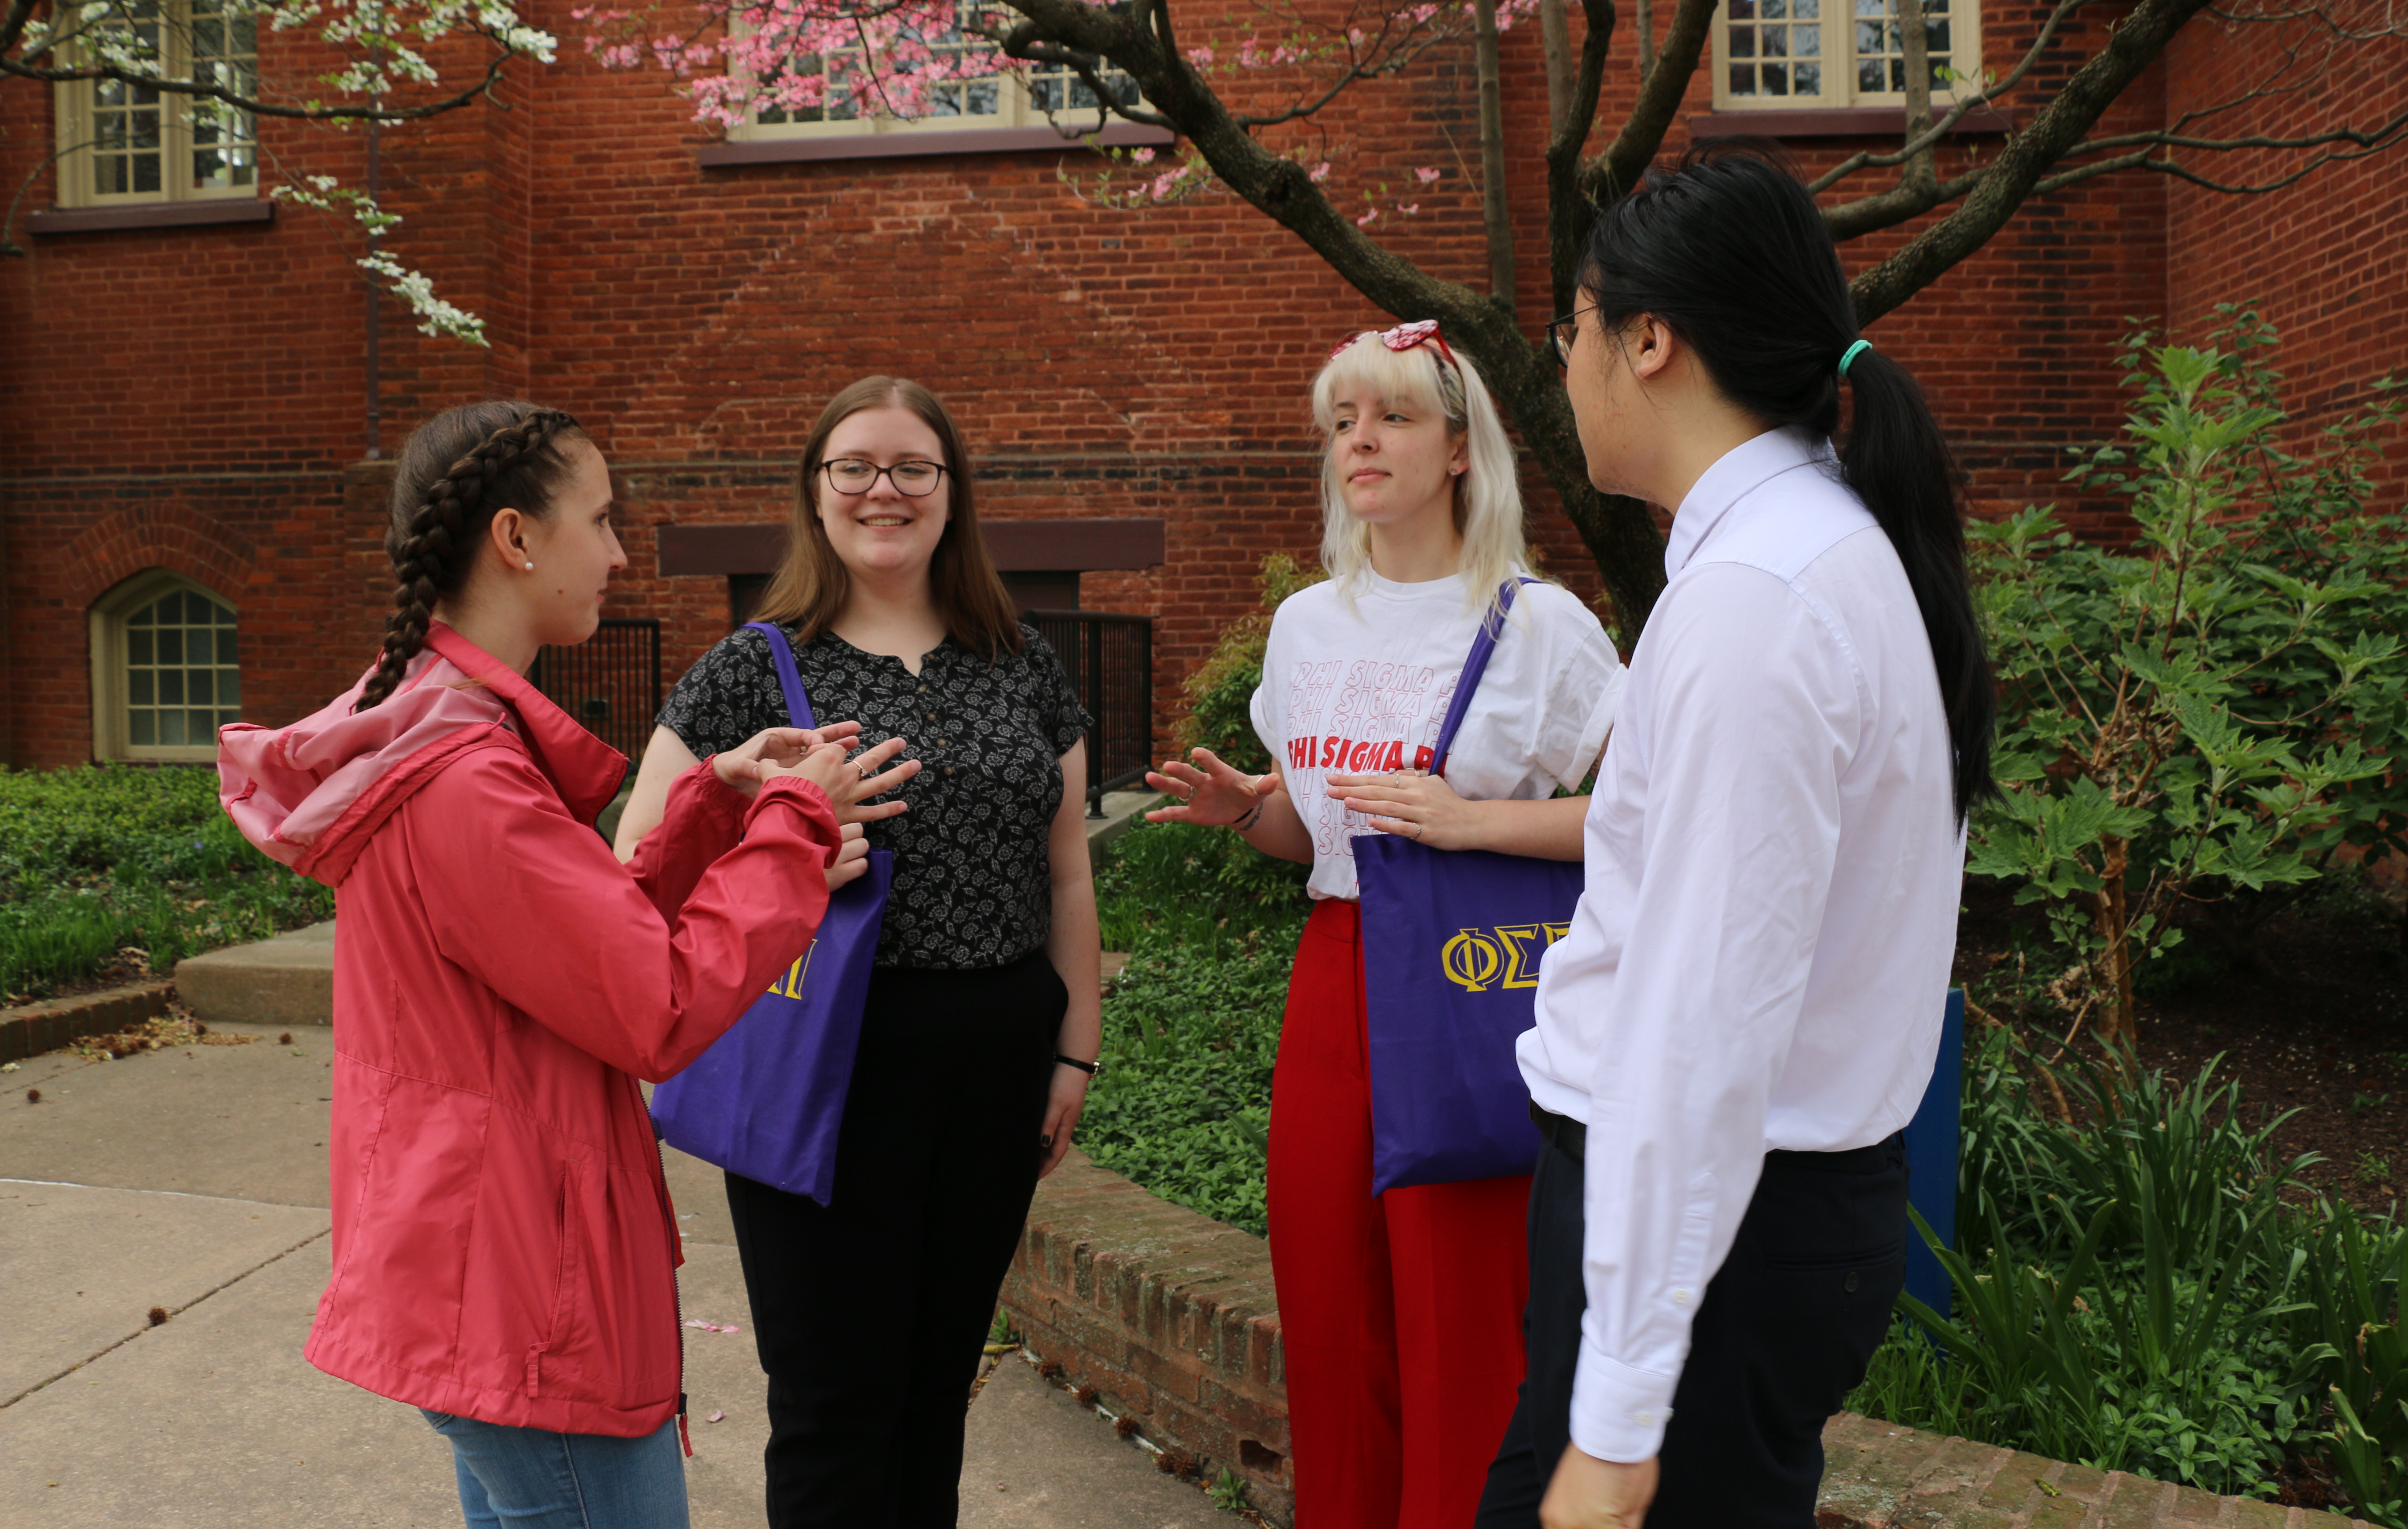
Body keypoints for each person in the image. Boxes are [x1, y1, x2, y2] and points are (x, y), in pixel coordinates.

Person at [217, 400, 917, 1529]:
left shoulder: (435, 738)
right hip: (523, 1282)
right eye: (601, 519)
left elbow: (570, 950)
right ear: (516, 539)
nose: (621, 552)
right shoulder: (467, 776)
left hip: (487, 1261)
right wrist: (795, 824)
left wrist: (711, 807)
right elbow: (655, 1003)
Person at [1478, 146, 1997, 1529]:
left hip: (1719, 1243)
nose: (1564, 363)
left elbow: (1701, 1020)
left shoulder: (1759, 599)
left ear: (1650, 339)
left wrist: (1623, 1410)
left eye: (1573, 328)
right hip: (1762, 1227)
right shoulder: (1817, 548)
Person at [1144, 321, 1626, 1529]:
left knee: (1463, 1316)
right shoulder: (1310, 626)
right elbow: (1321, 841)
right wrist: (1244, 816)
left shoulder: (1539, 625)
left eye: (1394, 417)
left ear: (1462, 449)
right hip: (1337, 972)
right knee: (1333, 1304)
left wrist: (1470, 824)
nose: (1361, 441)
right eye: (1344, 422)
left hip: (1473, 987)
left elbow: (1644, 822)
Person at [613, 375, 1100, 1528]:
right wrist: (773, 854)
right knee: (835, 1397)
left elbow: (1070, 868)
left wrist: (1073, 1051)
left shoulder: (1020, 658)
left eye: (912, 468)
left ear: (952, 494)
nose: (885, 490)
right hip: (823, 1054)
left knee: (937, 1387)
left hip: (996, 1052)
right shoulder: (754, 664)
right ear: (817, 495)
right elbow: (639, 860)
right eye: (856, 468)